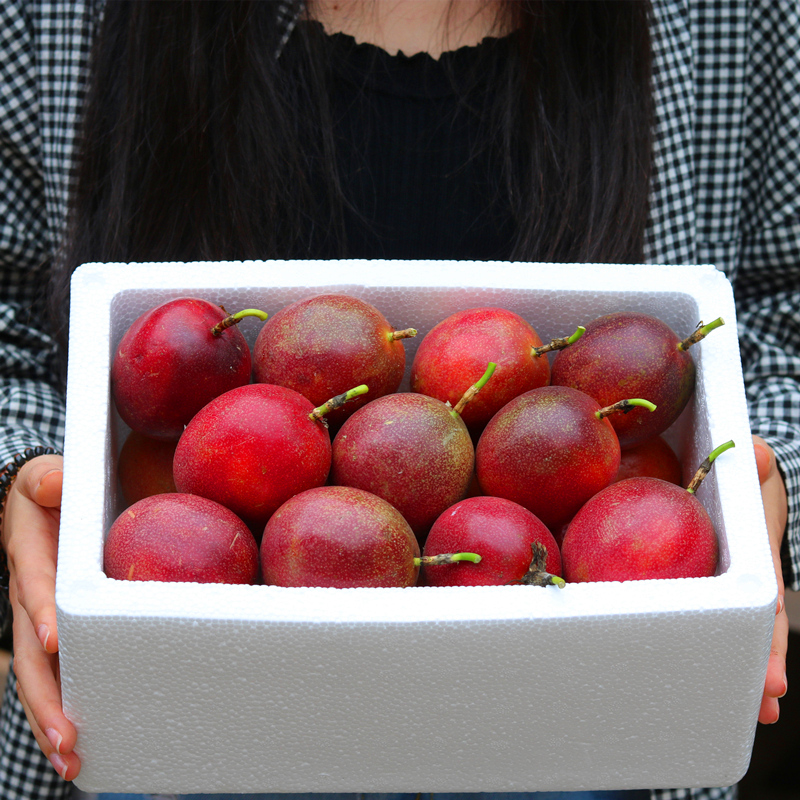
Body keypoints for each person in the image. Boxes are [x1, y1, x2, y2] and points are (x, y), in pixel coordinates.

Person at [0, 0, 796, 798]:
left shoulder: (739, 18)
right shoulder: (53, 16)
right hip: (178, 731)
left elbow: (780, 319)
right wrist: (20, 477)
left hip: (585, 737)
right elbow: (13, 331)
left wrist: (768, 484)